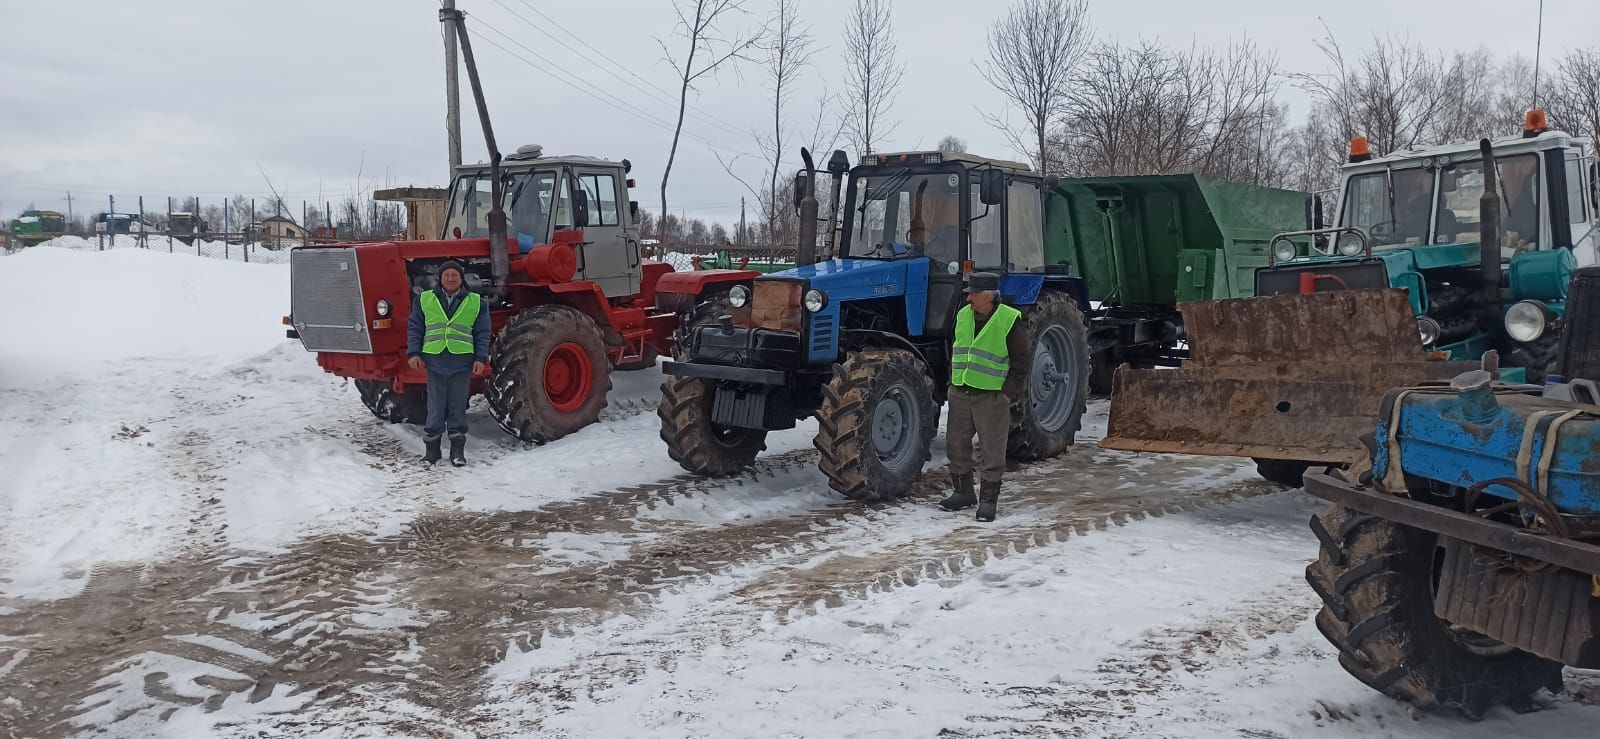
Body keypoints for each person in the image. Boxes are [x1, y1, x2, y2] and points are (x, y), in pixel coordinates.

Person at [940, 272, 1030, 522]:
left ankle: (988, 502)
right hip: (960, 391)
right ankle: (963, 492)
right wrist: (951, 381)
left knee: (992, 451)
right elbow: (957, 349)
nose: (969, 298)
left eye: (973, 293)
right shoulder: (963, 315)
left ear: (988, 296)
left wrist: (1006, 394)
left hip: (991, 397)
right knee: (956, 445)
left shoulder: (1009, 319)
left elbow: (1022, 361)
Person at [407, 261, 491, 466]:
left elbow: (482, 333)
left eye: (455, 275)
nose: (451, 279)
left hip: (462, 361)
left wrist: (480, 358)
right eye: (447, 275)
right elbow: (415, 327)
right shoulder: (424, 299)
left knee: (457, 406)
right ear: (440, 278)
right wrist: (414, 353)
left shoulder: (476, 302)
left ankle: (457, 451)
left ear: (462, 278)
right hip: (434, 360)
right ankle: (432, 451)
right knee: (435, 407)